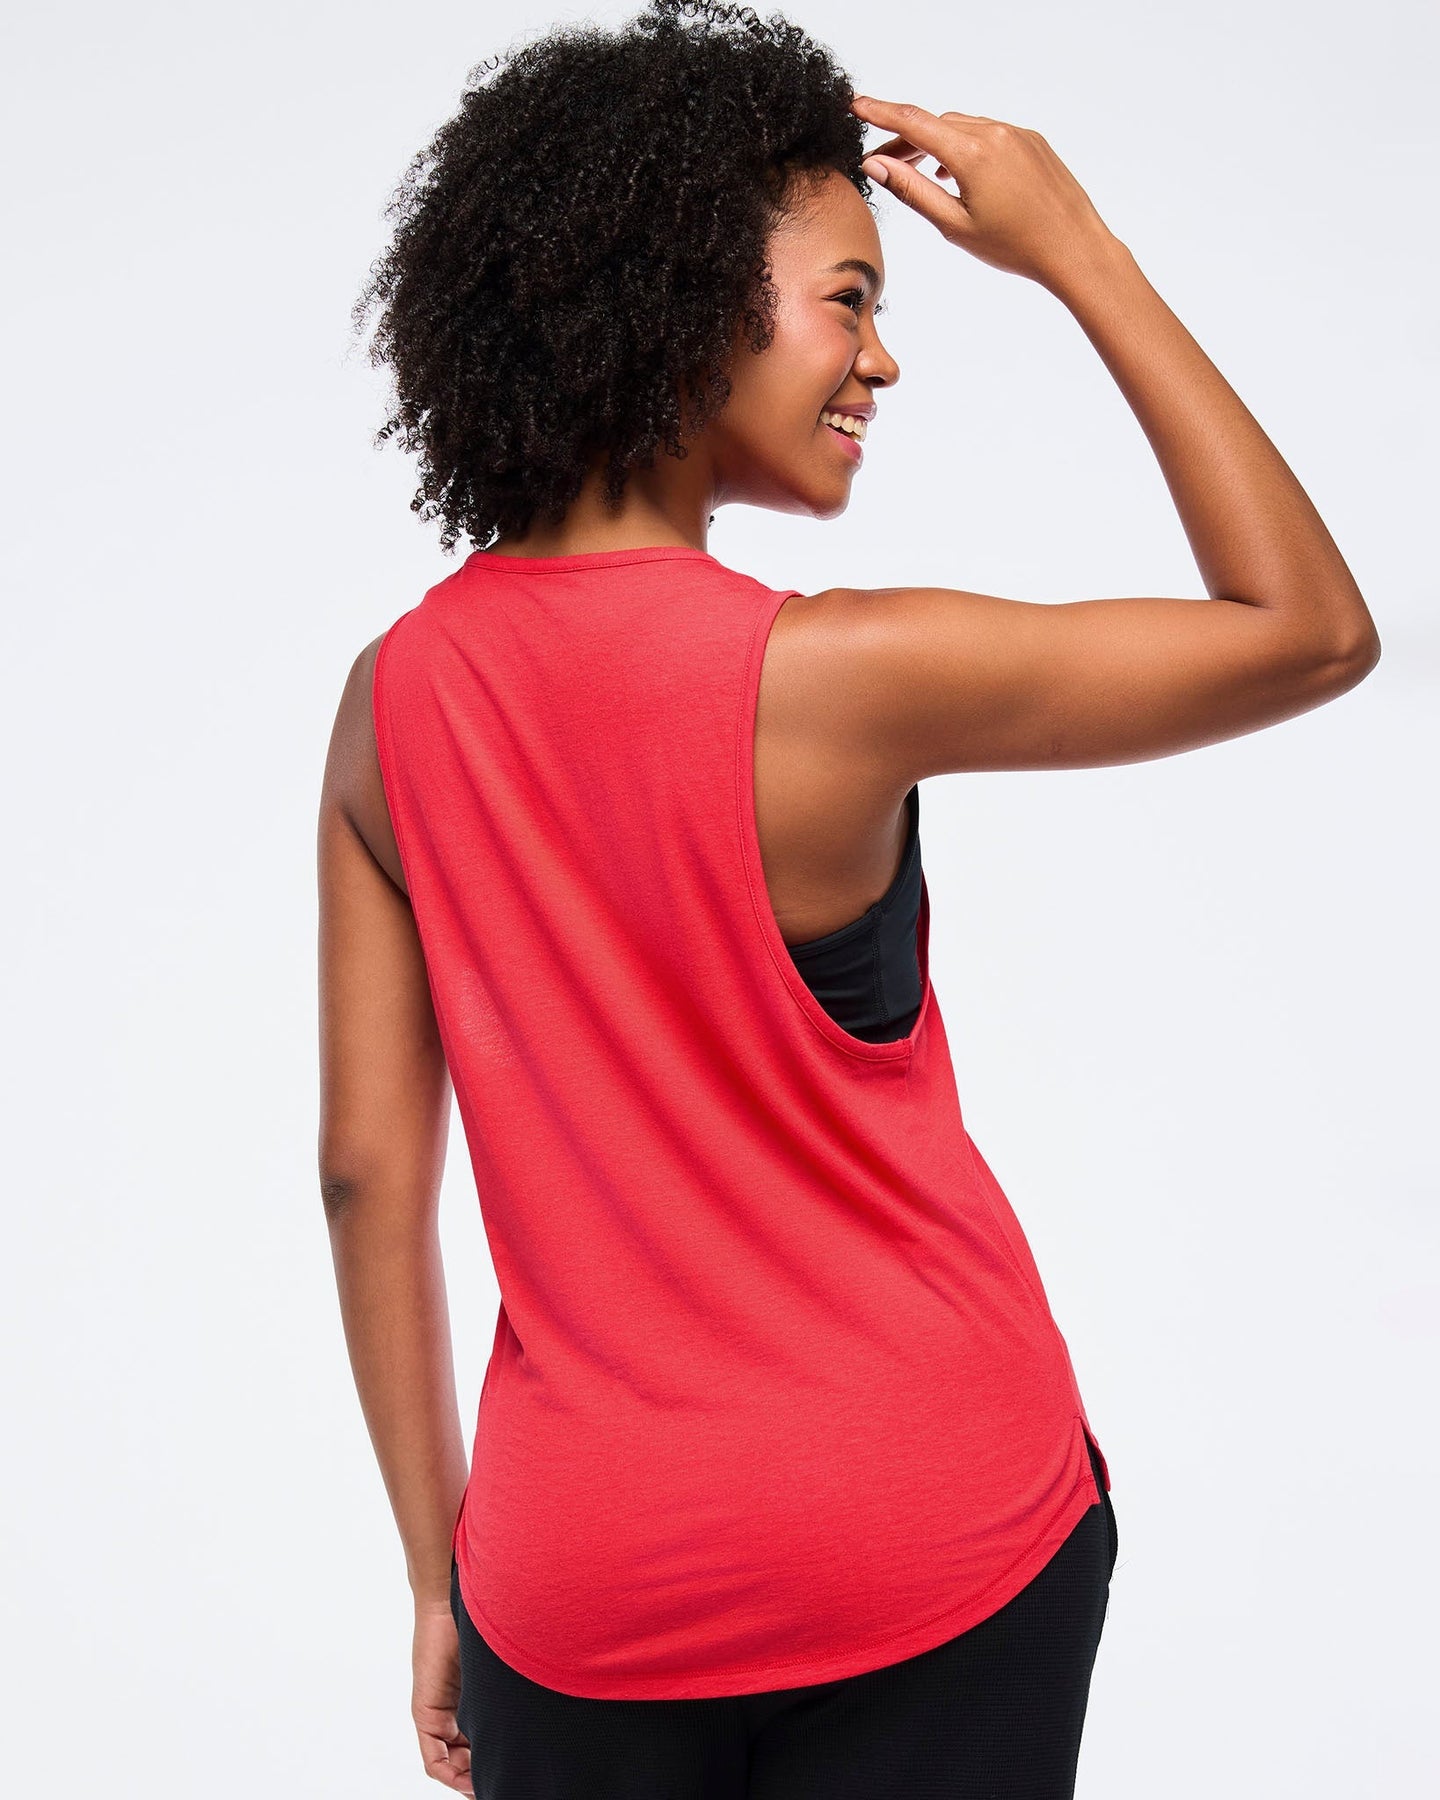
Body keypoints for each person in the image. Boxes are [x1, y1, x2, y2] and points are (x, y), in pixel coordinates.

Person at [318, 2, 1381, 1794]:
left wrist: (440, 1577)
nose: (882, 360)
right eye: (851, 297)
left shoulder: (387, 705)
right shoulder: (844, 677)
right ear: (679, 304)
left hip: (576, 1592)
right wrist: (1077, 248)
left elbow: (364, 1172)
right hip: (937, 1533)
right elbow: (1312, 631)